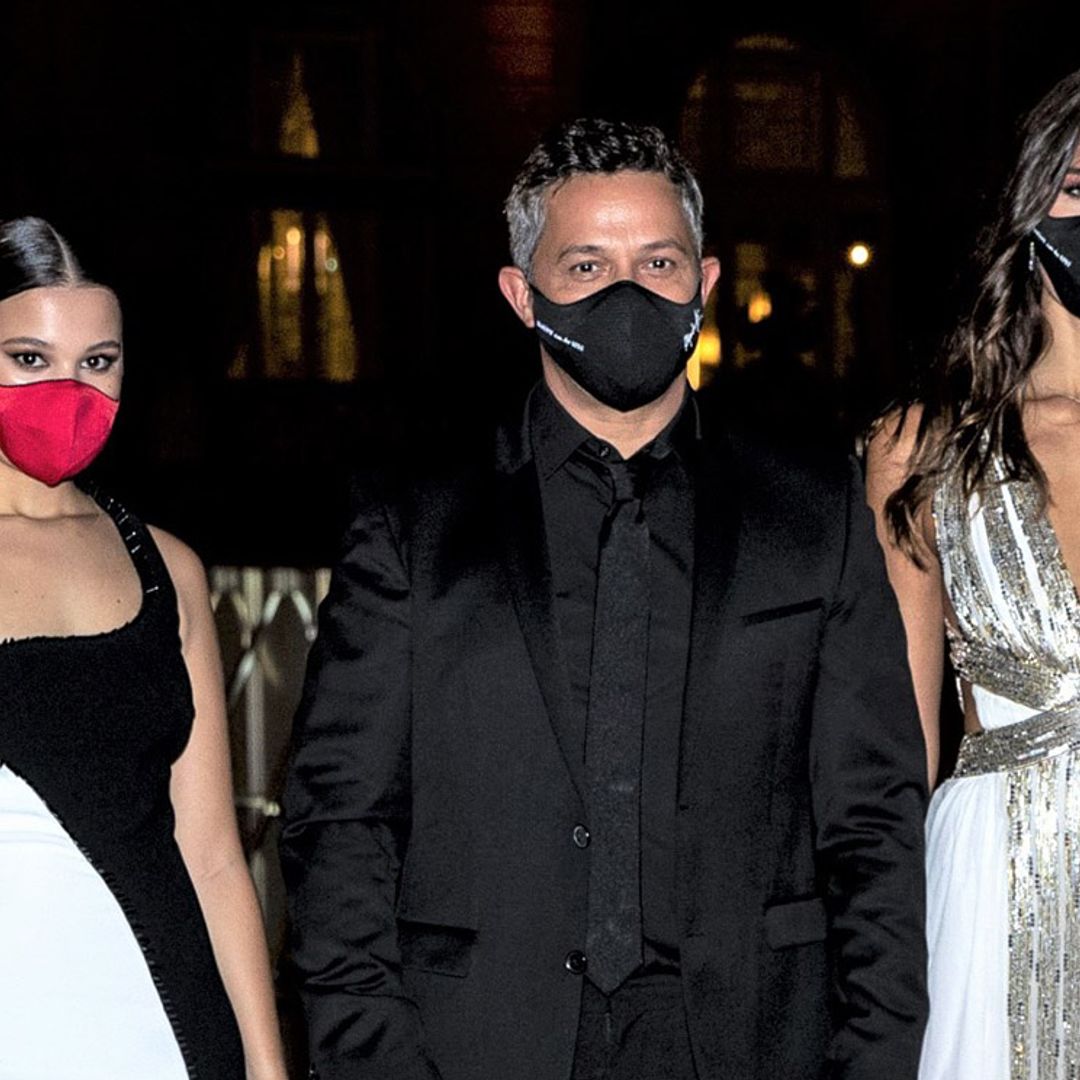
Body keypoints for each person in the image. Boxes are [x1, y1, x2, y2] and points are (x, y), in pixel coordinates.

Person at [281, 118, 928, 1080]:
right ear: (521, 294)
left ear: (704, 285)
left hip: (750, 1043)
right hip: (477, 1043)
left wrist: (872, 1059)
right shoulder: (415, 524)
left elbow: (873, 826)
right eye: (586, 267)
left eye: (658, 262)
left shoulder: (813, 515)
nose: (628, 292)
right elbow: (339, 827)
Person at [0, 217, 287, 1080]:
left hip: (161, 1026)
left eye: (98, 362)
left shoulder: (168, 567)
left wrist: (267, 1067)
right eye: (28, 358)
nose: (69, 389)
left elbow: (211, 857)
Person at [866, 69, 1080, 1080]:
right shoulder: (924, 451)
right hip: (990, 882)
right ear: (1033, 207)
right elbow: (892, 755)